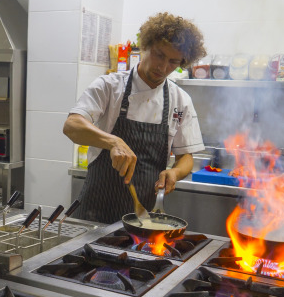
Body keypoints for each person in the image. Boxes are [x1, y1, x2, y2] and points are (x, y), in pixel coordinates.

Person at [63, 12, 207, 223]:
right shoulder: (109, 86)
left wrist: (175, 173)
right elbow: (72, 125)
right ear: (145, 46)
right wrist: (113, 142)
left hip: (142, 218)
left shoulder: (180, 100)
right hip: (95, 213)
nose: (163, 67)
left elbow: (186, 156)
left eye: (173, 62)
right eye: (159, 55)